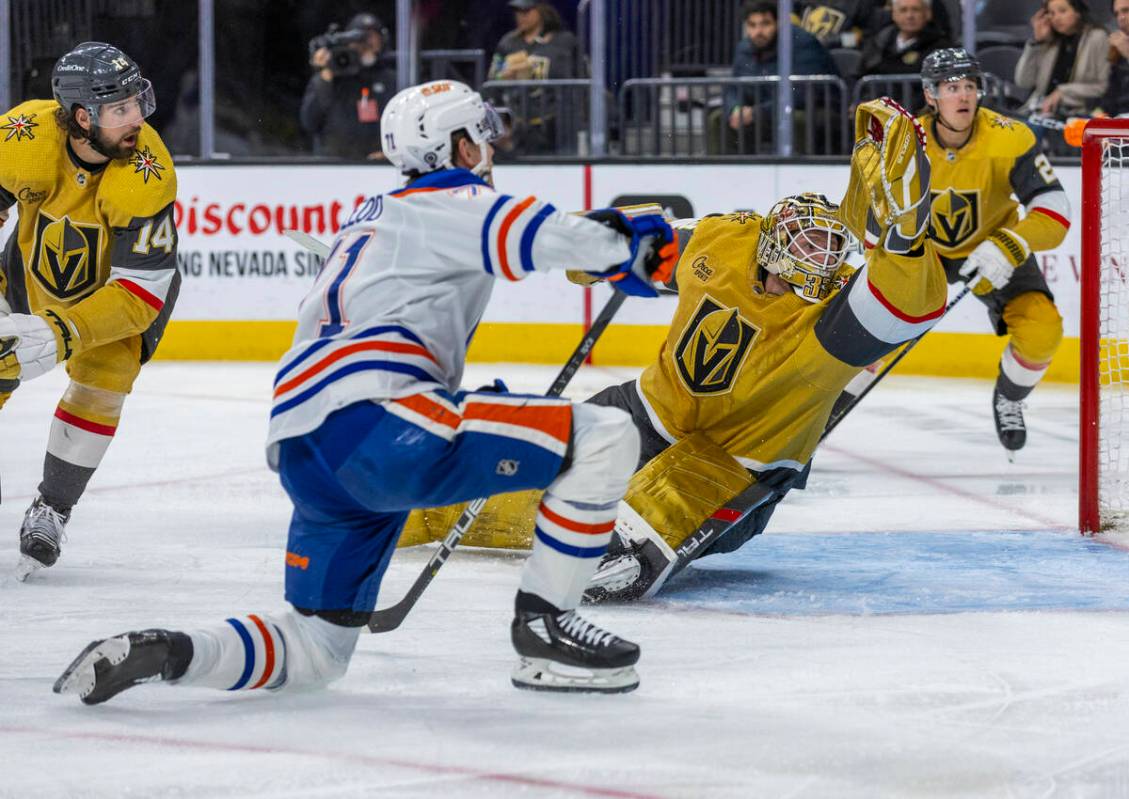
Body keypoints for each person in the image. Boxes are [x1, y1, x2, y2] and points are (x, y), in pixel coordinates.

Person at [53, 80, 680, 705]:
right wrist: (634, 245)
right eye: (480, 135)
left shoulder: (369, 221)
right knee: (606, 436)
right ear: (457, 147)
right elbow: (546, 236)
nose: (489, 148)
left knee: (316, 651)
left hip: (307, 448)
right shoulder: (454, 201)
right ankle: (545, 629)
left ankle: (168, 652)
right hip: (383, 422)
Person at [394, 96, 946, 603]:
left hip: (735, 463)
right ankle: (407, 511)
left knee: (609, 553)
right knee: (515, 476)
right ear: (772, 239)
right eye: (809, 239)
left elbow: (906, 305)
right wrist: (595, 247)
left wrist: (904, 237)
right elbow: (650, 240)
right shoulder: (726, 238)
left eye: (831, 247)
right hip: (644, 411)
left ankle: (623, 540)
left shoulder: (833, 322)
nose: (822, 257)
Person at [0, 42, 179, 581]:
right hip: (29, 272)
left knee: (105, 377)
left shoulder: (148, 170)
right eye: (121, 109)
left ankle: (54, 507)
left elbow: (142, 292)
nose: (137, 119)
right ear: (82, 117)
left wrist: (60, 334)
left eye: (137, 102)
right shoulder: (23, 135)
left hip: (116, 295)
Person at [917, 48, 1070, 457]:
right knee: (873, 325)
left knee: (1043, 331)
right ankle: (830, 406)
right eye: (952, 88)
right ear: (931, 96)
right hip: (922, 250)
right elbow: (877, 213)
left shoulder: (1010, 135)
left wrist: (1011, 243)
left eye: (970, 86)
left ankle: (1009, 398)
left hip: (996, 244)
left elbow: (1054, 209)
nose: (964, 96)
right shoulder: (906, 141)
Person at [709, 0, 840, 155]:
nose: (758, 31)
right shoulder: (744, 48)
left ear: (779, 23)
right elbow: (734, 88)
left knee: (795, 119)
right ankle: (728, 174)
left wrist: (756, 113)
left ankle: (799, 175)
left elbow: (803, 94)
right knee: (719, 119)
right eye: (752, 25)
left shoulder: (802, 44)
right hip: (765, 113)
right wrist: (735, 109)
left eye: (765, 24)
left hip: (813, 111)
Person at [487, 1, 584, 155]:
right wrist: (504, 76)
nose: (521, 16)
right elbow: (492, 80)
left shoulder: (564, 41)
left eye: (526, 11)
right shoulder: (508, 43)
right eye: (517, 12)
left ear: (541, 10)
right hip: (519, 126)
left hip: (557, 125)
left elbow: (581, 78)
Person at [300, 12, 397, 160]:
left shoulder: (391, 79)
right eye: (359, 39)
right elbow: (309, 122)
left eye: (371, 37)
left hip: (379, 165)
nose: (365, 44)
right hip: (335, 165)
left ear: (381, 41)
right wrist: (325, 76)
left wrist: (391, 154)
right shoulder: (330, 78)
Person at [1015, 0, 1110, 118]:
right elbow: (1023, 82)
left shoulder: (1097, 37)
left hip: (1076, 116)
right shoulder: (1049, 40)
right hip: (1037, 112)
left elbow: (1102, 87)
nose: (1056, 18)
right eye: (1051, 13)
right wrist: (1037, 42)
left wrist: (1062, 92)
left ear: (1078, 11)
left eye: (1062, 11)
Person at [860, 0, 951, 78]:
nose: (909, 16)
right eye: (903, 10)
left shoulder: (941, 49)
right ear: (894, 15)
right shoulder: (879, 42)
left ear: (928, 13)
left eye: (916, 10)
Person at [794, 0, 881, 49]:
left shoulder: (860, 4)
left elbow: (863, 37)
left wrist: (837, 40)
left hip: (834, 58)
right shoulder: (802, 3)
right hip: (802, 53)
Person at [1096, 0, 1129, 116]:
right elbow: (1112, 92)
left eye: (1126, 10)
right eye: (1117, 14)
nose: (1121, 18)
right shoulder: (1120, 45)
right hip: (1117, 120)